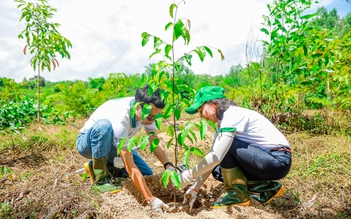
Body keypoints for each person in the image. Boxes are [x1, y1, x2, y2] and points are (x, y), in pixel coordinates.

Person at [178, 86, 292, 211]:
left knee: (224, 149)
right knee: (217, 170)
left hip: (277, 161)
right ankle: (267, 187)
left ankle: (237, 195)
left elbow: (216, 156)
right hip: (265, 160)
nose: (201, 116)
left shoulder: (232, 114)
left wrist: (189, 174)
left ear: (213, 103)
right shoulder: (223, 124)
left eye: (201, 110)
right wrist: (194, 188)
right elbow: (212, 159)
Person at [76, 84, 173, 213]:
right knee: (103, 127)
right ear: (139, 107)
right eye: (150, 117)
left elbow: (153, 140)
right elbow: (129, 163)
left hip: (115, 144)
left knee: (147, 175)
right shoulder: (121, 119)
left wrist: (168, 165)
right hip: (88, 143)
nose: (153, 120)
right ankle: (100, 178)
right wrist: (151, 199)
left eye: (157, 116)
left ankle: (97, 165)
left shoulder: (149, 110)